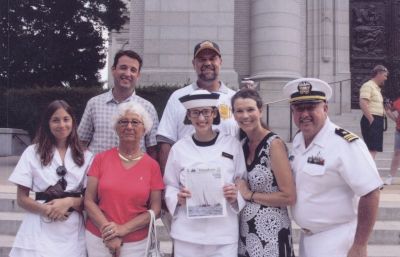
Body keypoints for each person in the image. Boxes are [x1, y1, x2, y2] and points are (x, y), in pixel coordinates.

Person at [283, 78, 382, 257]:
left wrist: (360, 245)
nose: (304, 114)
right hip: (308, 239)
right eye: (299, 108)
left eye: (311, 107)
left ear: (325, 108)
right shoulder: (298, 141)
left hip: (338, 239)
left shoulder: (345, 144)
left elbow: (371, 192)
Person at [163, 90, 246, 257]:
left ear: (214, 113)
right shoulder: (179, 148)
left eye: (206, 112)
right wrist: (177, 198)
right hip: (187, 234)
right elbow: (170, 185)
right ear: (189, 116)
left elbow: (242, 180)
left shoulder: (232, 145)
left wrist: (235, 196)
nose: (201, 118)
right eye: (195, 113)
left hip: (223, 235)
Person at [8, 100, 93, 257]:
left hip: (72, 228)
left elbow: (90, 200)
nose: (62, 125)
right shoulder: (32, 152)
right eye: (55, 120)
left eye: (66, 119)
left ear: (73, 122)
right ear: (47, 123)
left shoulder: (86, 156)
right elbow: (21, 199)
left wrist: (69, 202)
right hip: (39, 225)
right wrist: (47, 210)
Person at [84, 101, 164, 257]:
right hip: (99, 238)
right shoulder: (100, 159)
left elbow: (156, 209)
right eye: (123, 122)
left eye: (135, 122)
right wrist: (109, 231)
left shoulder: (152, 166)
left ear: (145, 129)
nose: (129, 126)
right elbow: (88, 200)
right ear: (116, 127)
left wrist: (123, 229)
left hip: (137, 243)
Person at [157, 40, 239, 173]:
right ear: (194, 64)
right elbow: (166, 141)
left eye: (212, 58)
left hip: (225, 184)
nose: (207, 63)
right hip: (187, 183)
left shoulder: (235, 98)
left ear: (220, 62)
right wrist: (169, 183)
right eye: (202, 59)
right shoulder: (178, 97)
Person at [232, 88, 296, 257]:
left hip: (272, 234)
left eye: (250, 109)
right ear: (233, 115)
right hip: (247, 233)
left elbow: (289, 196)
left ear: (261, 110)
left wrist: (249, 194)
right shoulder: (243, 144)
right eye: (239, 111)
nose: (245, 116)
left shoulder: (273, 144)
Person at [78, 50, 159, 159]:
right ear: (113, 70)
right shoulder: (94, 104)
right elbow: (81, 142)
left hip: (133, 172)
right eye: (123, 68)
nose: (127, 74)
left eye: (133, 70)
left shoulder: (147, 108)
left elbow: (152, 149)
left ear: (138, 75)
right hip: (98, 173)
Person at [359, 65, 389, 159]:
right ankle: (367, 172)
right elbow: (363, 103)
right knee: (372, 148)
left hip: (377, 119)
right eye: (384, 75)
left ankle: (368, 171)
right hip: (372, 119)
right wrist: (371, 120)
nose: (386, 78)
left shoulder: (376, 88)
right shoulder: (368, 86)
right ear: (378, 74)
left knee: (373, 149)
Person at [384, 96, 400, 185]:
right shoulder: (398, 101)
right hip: (399, 131)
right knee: (397, 153)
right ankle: (391, 176)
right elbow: (389, 109)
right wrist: (395, 119)